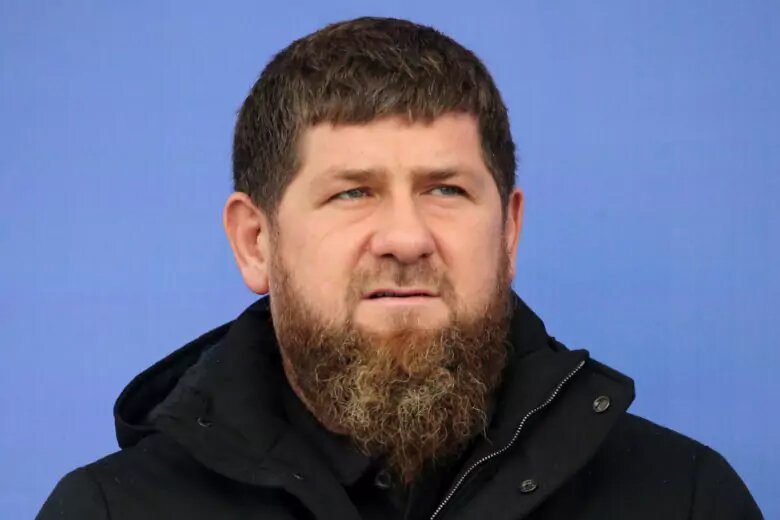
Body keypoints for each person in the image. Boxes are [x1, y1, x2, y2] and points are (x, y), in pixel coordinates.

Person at [37, 16, 762, 520]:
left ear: (508, 232)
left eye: (445, 190)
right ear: (256, 241)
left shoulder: (685, 499)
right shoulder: (111, 511)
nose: (407, 238)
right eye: (353, 192)